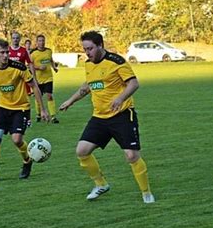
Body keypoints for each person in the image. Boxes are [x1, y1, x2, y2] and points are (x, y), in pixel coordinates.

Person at [59, 31, 155, 204]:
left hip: (122, 115)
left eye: (90, 48)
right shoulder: (88, 64)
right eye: (84, 49)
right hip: (100, 117)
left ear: (100, 46)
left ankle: (146, 193)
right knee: (82, 151)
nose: (87, 53)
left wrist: (120, 98)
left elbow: (134, 83)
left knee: (132, 155)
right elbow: (88, 84)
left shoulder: (116, 62)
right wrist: (71, 100)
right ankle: (100, 184)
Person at [0, 39, 49, 183]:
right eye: (2, 53)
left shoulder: (19, 68)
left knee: (17, 140)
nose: (6, 55)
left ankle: (27, 161)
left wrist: (42, 109)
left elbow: (34, 86)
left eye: (7, 52)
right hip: (3, 108)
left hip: (21, 108)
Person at [30, 34, 60, 123]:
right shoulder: (33, 53)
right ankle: (39, 114)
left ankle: (53, 116)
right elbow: (30, 66)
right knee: (38, 97)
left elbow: (50, 60)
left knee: (49, 96)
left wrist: (54, 67)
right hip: (38, 79)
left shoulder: (49, 51)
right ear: (37, 42)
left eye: (43, 40)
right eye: (40, 41)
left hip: (48, 78)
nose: (42, 42)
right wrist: (39, 68)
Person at [10, 31, 37, 127]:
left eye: (17, 38)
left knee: (25, 100)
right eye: (13, 38)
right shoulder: (7, 51)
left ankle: (28, 119)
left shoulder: (23, 51)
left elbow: (30, 63)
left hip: (22, 80)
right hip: (10, 80)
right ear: (11, 39)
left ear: (19, 39)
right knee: (11, 99)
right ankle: (12, 118)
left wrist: (33, 75)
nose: (15, 40)